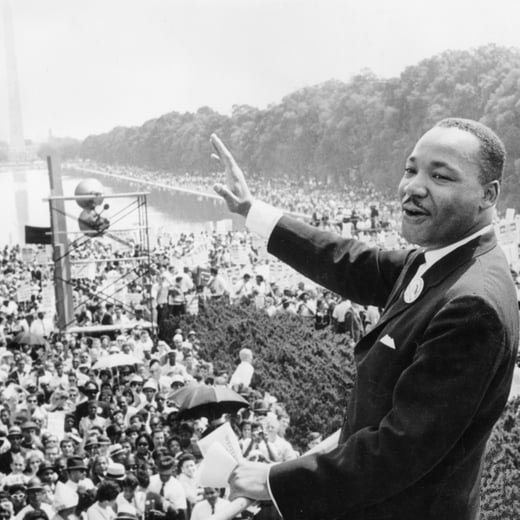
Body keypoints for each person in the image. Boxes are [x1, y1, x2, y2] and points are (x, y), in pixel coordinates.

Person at [210, 118, 519, 520]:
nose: (413, 186)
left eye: (440, 176)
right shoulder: (445, 259)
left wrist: (273, 480)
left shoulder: (471, 305)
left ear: (488, 195)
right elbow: (350, 263)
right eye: (411, 169)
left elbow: (400, 450)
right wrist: (253, 212)